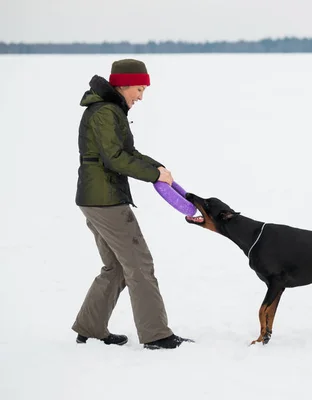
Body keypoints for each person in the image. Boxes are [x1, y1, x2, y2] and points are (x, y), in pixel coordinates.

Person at [73, 59, 191, 350]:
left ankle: (90, 328)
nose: (141, 96)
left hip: (97, 198)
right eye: (139, 89)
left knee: (115, 267)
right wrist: (153, 175)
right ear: (123, 85)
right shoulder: (105, 112)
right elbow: (115, 158)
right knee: (139, 265)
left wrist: (158, 168)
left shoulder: (111, 110)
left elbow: (128, 152)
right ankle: (156, 335)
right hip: (106, 200)